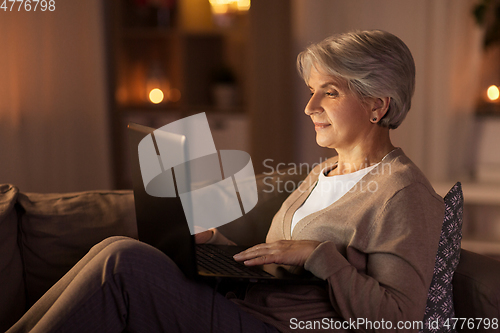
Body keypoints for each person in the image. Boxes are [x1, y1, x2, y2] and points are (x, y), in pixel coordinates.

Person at [7, 30, 444, 333]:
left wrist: (319, 255)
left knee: (124, 262)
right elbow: (279, 266)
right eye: (311, 90)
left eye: (329, 92)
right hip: (246, 309)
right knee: (115, 248)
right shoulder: (323, 172)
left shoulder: (403, 194)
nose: (309, 105)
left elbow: (399, 318)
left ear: (377, 105)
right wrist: (216, 244)